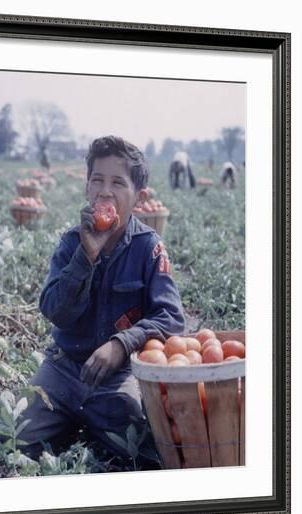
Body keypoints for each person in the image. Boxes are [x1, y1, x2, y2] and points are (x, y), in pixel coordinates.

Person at [18, 135, 185, 469]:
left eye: (117, 183)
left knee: (138, 446)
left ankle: (88, 427)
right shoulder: (70, 243)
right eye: (97, 180)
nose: (105, 191)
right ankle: (70, 424)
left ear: (138, 198)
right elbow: (54, 311)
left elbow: (171, 317)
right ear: (86, 189)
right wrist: (86, 255)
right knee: (17, 435)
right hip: (63, 369)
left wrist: (123, 344)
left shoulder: (148, 248)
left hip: (116, 377)